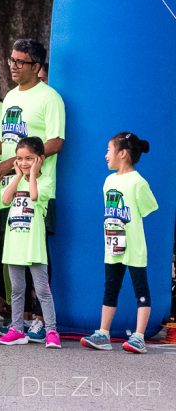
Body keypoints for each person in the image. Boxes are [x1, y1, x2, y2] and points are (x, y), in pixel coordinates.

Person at [81, 133, 158, 354]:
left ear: (122, 154)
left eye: (109, 150)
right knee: (111, 287)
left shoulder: (138, 182)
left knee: (140, 288)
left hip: (133, 246)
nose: (106, 156)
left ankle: (139, 336)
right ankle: (103, 332)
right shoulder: (109, 181)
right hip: (112, 244)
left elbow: (147, 208)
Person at [0, 136, 61, 348]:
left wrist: (32, 174)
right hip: (15, 243)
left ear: (40, 159)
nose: (24, 163)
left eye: (29, 159)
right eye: (20, 158)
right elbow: (5, 199)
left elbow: (33, 196)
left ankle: (51, 330)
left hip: (33, 245)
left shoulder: (46, 181)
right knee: (17, 289)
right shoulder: (17, 179)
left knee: (42, 289)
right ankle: (17, 329)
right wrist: (16, 177)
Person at [0, 40, 65, 196]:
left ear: (35, 67)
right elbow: (4, 141)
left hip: (37, 190)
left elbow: (55, 144)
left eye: (20, 62)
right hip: (8, 189)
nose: (13, 66)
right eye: (12, 60)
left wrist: (11, 163)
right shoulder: (9, 97)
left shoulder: (50, 97)